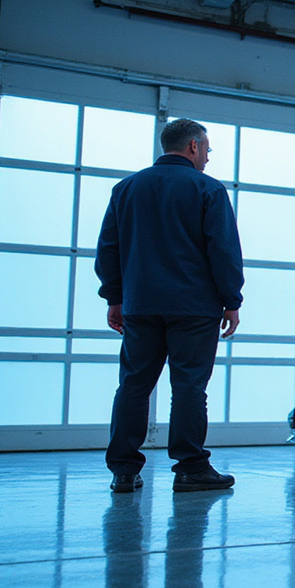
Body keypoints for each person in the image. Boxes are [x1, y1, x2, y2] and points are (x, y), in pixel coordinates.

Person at [96, 119, 244, 493]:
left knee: (132, 385)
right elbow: (223, 250)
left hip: (140, 305)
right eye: (208, 150)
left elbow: (108, 249)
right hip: (194, 309)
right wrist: (231, 300)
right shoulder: (207, 189)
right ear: (193, 146)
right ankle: (191, 467)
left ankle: (124, 471)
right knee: (190, 387)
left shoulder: (126, 188)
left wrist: (115, 297)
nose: (208, 158)